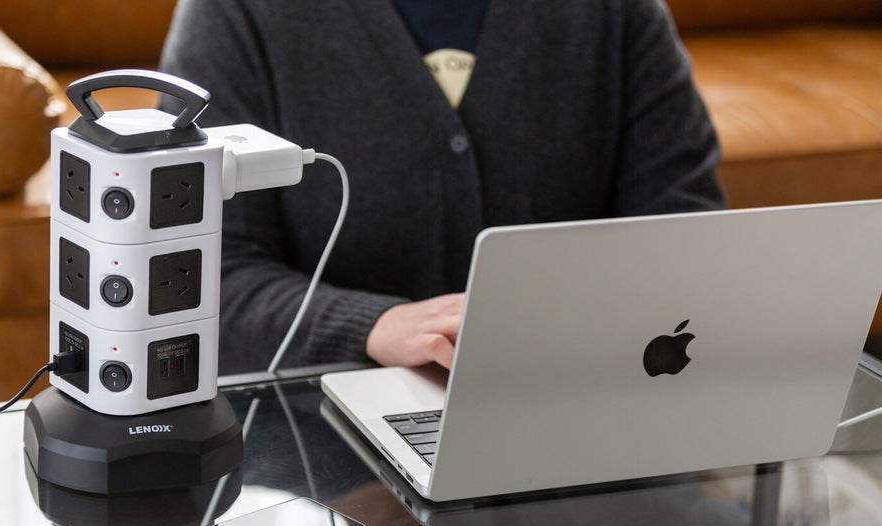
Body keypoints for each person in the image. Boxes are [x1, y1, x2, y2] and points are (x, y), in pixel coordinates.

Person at [159, 0, 726, 375]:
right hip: (320, 447)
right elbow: (197, 275)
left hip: (585, 415)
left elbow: (685, 231)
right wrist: (368, 326)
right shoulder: (234, 14)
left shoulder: (619, 14)